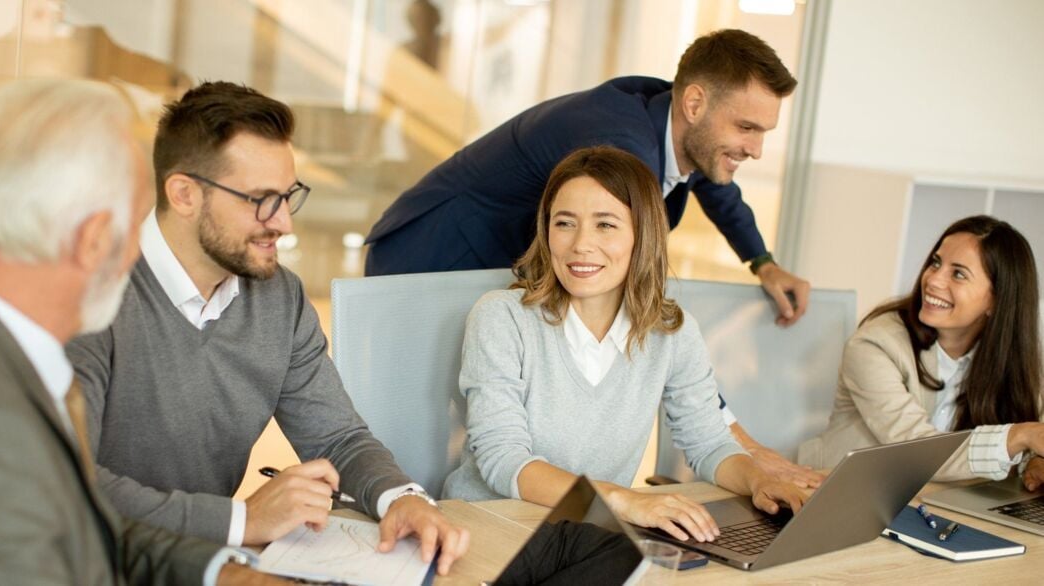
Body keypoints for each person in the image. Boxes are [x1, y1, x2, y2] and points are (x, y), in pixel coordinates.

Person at [0, 80, 276, 585]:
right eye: (136, 228)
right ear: (94, 241)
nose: (139, 254)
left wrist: (222, 575)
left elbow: (85, 528)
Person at [65, 81, 469, 575]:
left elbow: (338, 437)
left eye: (287, 196)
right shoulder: (84, 291)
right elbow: (68, 481)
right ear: (184, 194)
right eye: (260, 199)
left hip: (203, 563)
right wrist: (242, 520)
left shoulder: (280, 297)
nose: (284, 224)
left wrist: (399, 498)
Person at [441, 146, 806, 542]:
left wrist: (758, 480)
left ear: (642, 234)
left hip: (586, 536)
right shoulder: (501, 317)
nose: (581, 244)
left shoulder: (673, 333)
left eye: (605, 225)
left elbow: (709, 441)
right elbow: (503, 459)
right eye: (564, 223)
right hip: (487, 532)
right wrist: (624, 501)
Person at [366, 28, 811, 328]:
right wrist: (716, 421)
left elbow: (720, 192)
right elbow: (636, 282)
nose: (755, 150)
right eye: (746, 128)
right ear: (695, 104)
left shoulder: (680, 125)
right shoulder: (620, 144)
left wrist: (763, 265)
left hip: (490, 269)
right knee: (405, 435)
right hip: (431, 259)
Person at [799, 216, 1044, 486]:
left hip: (936, 505)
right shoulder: (875, 344)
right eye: (936, 263)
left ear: (996, 301)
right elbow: (915, 448)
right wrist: (1019, 437)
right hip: (842, 493)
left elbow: (1033, 428)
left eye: (958, 273)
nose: (934, 280)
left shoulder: (1013, 361)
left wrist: (1032, 461)